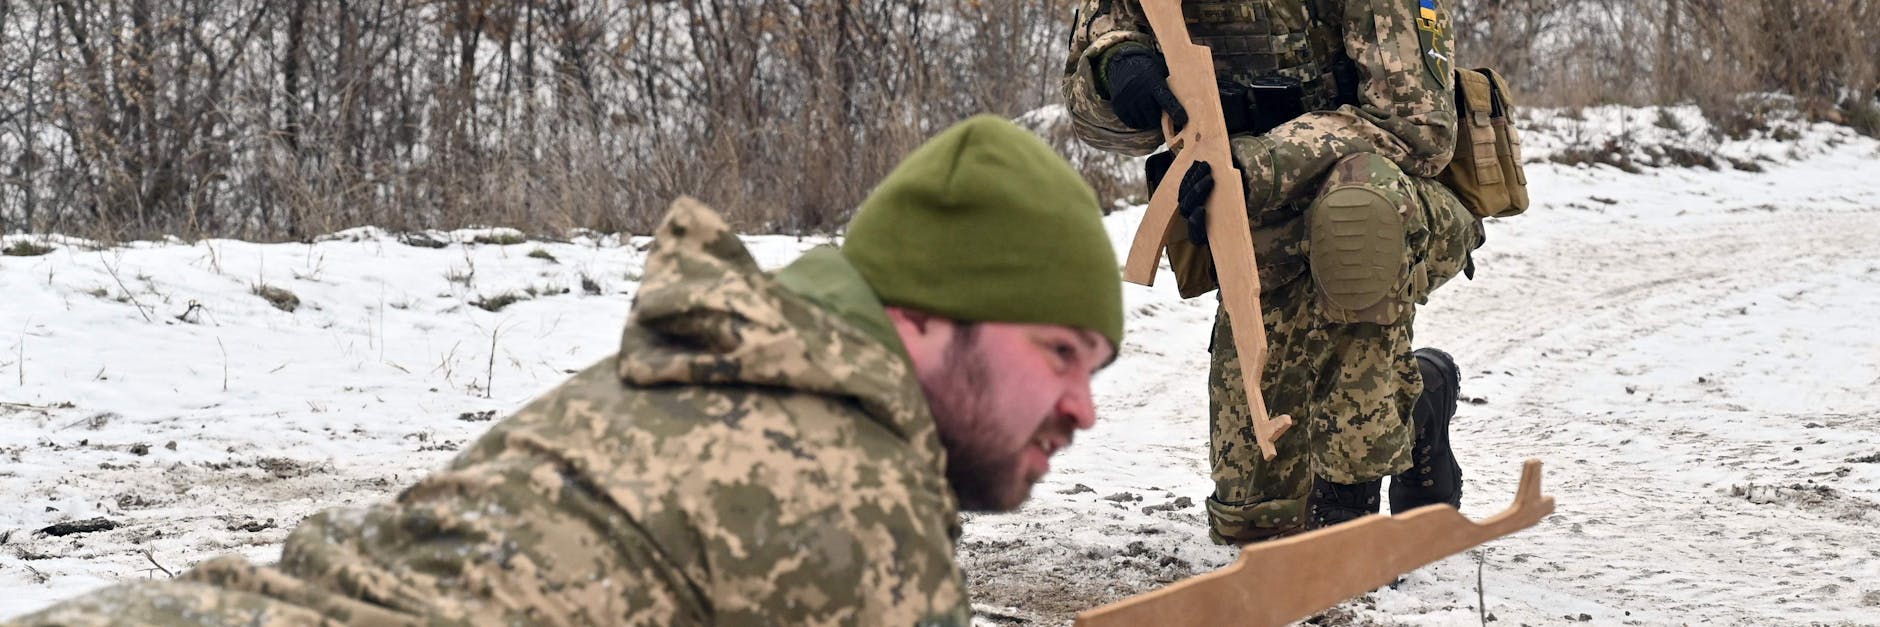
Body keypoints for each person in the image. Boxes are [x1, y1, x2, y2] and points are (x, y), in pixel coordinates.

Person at [8, 115, 1123, 626]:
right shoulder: (845, 497)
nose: (1080, 405)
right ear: (923, 319)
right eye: (1057, 351)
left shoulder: (710, 379)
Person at [1062, 0, 1478, 544]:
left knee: (1356, 215)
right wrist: (1117, 64)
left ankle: (1349, 501)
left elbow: (1418, 129)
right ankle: (1419, 403)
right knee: (1257, 521)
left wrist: (1257, 164)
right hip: (1257, 223)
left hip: (1387, 200)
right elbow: (1096, 126)